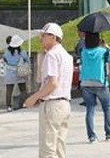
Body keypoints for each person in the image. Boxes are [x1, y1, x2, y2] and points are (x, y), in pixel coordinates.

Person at [24, 23, 73, 158]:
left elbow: (52, 83)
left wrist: (34, 98)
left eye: (44, 35)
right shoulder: (67, 56)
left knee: (48, 149)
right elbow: (42, 79)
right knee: (59, 147)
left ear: (53, 37)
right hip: (64, 104)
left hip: (52, 104)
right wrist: (41, 57)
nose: (41, 39)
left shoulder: (52, 55)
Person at [80, 32, 110, 143]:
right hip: (101, 83)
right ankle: (109, 133)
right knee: (106, 109)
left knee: (90, 110)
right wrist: (106, 46)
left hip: (86, 84)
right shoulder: (103, 52)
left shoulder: (83, 52)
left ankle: (92, 137)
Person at [3, 35, 29, 112]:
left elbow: (4, 61)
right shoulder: (22, 52)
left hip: (9, 74)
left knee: (9, 91)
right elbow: (27, 60)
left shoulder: (6, 53)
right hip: (20, 72)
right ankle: (25, 103)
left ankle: (9, 106)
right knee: (23, 89)